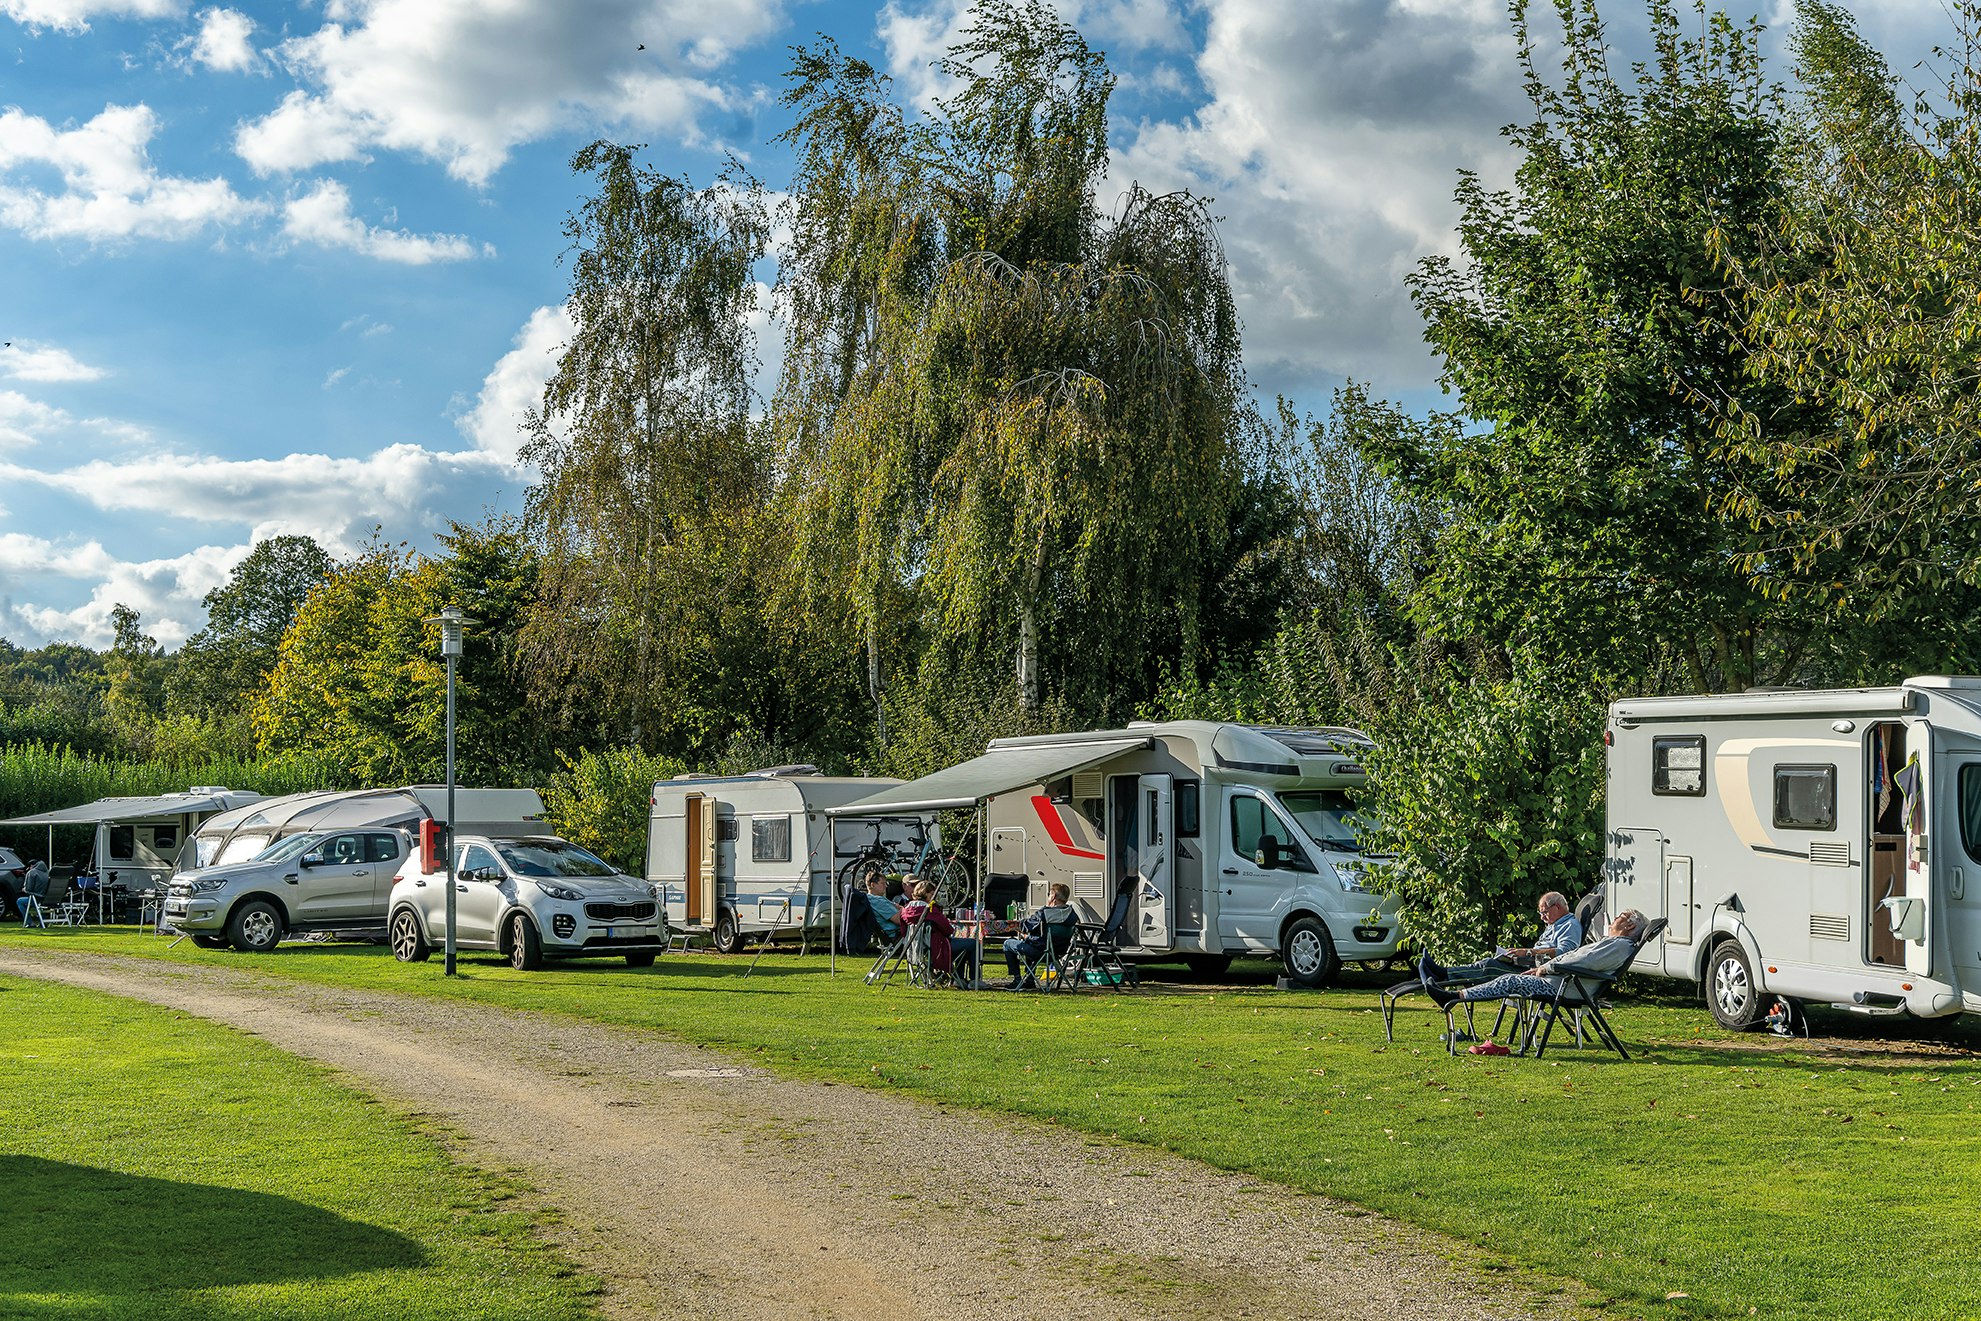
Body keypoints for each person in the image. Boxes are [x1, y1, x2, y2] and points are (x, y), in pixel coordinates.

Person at [1420, 910, 1647, 1007]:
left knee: (1508, 980)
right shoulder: (1613, 944)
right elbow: (1580, 959)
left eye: (1620, 916)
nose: (1614, 918)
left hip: (1566, 987)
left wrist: (1546, 968)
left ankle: (1453, 996)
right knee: (1505, 975)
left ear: (1628, 925)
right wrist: (1545, 968)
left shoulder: (1618, 946)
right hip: (1562, 982)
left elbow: (1584, 963)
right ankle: (1451, 990)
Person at [1420, 891, 1584, 985]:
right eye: (1540, 913)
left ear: (1557, 907)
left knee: (1490, 966)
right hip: (1530, 965)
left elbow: (1566, 952)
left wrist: (1527, 953)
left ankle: (1443, 975)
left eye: (1544, 912)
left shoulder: (1570, 925)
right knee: (1491, 961)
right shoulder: (1554, 925)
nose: (1542, 917)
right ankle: (1442, 975)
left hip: (1543, 974)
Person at [899, 879, 979, 984]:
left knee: (962, 945)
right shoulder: (929, 910)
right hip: (936, 947)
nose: (934, 897)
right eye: (932, 894)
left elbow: (903, 930)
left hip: (916, 949)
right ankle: (974, 980)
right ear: (924, 893)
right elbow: (948, 929)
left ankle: (959, 979)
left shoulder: (906, 910)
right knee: (973, 943)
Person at [1002, 882, 1077, 989]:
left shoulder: (1044, 913)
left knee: (1008, 943)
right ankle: (1029, 979)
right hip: (1058, 953)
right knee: (1032, 941)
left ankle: (1017, 979)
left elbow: (1025, 926)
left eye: (1049, 894)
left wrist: (1015, 925)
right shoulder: (1072, 914)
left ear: (1053, 896)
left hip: (1040, 951)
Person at [864, 873, 903, 941]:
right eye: (882, 883)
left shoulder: (870, 899)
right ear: (872, 885)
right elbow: (899, 920)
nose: (886, 886)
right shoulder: (877, 901)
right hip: (896, 934)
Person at [16, 860, 54, 927]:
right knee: (36, 903)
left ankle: (30, 922)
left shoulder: (32, 872)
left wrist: (23, 889)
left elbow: (29, 889)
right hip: (49, 899)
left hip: (37, 898)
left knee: (20, 901)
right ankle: (43, 921)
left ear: (31, 866)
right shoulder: (47, 872)